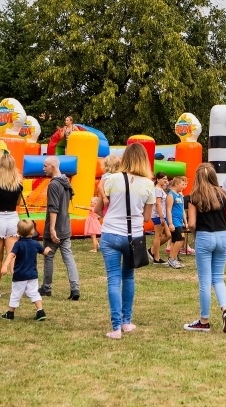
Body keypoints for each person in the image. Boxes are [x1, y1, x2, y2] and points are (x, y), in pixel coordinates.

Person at [94, 143, 154, 339]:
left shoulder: (112, 179)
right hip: (133, 236)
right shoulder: (148, 184)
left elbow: (102, 206)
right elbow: (146, 217)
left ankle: (116, 327)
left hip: (111, 233)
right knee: (128, 277)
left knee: (113, 279)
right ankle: (127, 321)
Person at [183, 163, 226, 333]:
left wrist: (194, 233)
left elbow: (191, 223)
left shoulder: (194, 197)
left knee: (204, 281)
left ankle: (204, 321)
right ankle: (225, 310)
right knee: (218, 278)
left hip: (204, 237)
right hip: (222, 236)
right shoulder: (224, 195)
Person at [0, 153, 24, 298]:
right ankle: (17, 289)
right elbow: (18, 204)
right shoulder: (18, 186)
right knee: (12, 255)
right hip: (13, 219)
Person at [40, 156, 80, 301]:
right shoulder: (66, 182)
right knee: (68, 257)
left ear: (53, 167)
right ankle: (75, 288)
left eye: (45, 166)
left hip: (56, 227)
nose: (43, 168)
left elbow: (53, 208)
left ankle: (46, 287)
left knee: (48, 256)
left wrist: (51, 228)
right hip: (65, 226)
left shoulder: (53, 185)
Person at [0, 219, 52, 321]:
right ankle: (40, 311)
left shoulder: (18, 244)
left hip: (19, 275)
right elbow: (44, 252)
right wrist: (47, 250)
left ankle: (10, 313)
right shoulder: (35, 244)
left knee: (16, 294)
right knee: (34, 293)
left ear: (18, 232)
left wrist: (5, 265)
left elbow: (11, 255)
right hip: (32, 275)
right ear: (32, 231)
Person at [147, 172, 170, 264]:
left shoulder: (161, 189)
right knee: (158, 236)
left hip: (162, 215)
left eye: (166, 179)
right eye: (163, 179)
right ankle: (156, 258)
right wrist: (161, 216)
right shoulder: (157, 190)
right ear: (158, 179)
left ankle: (152, 250)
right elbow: (158, 204)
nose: (165, 180)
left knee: (168, 235)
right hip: (158, 216)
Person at [166, 176, 188, 269]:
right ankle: (173, 259)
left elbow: (182, 210)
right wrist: (170, 223)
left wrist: (185, 221)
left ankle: (172, 258)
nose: (183, 186)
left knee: (175, 240)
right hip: (174, 221)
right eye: (182, 184)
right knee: (180, 239)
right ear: (176, 184)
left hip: (179, 221)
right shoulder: (171, 195)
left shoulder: (180, 195)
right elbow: (168, 209)